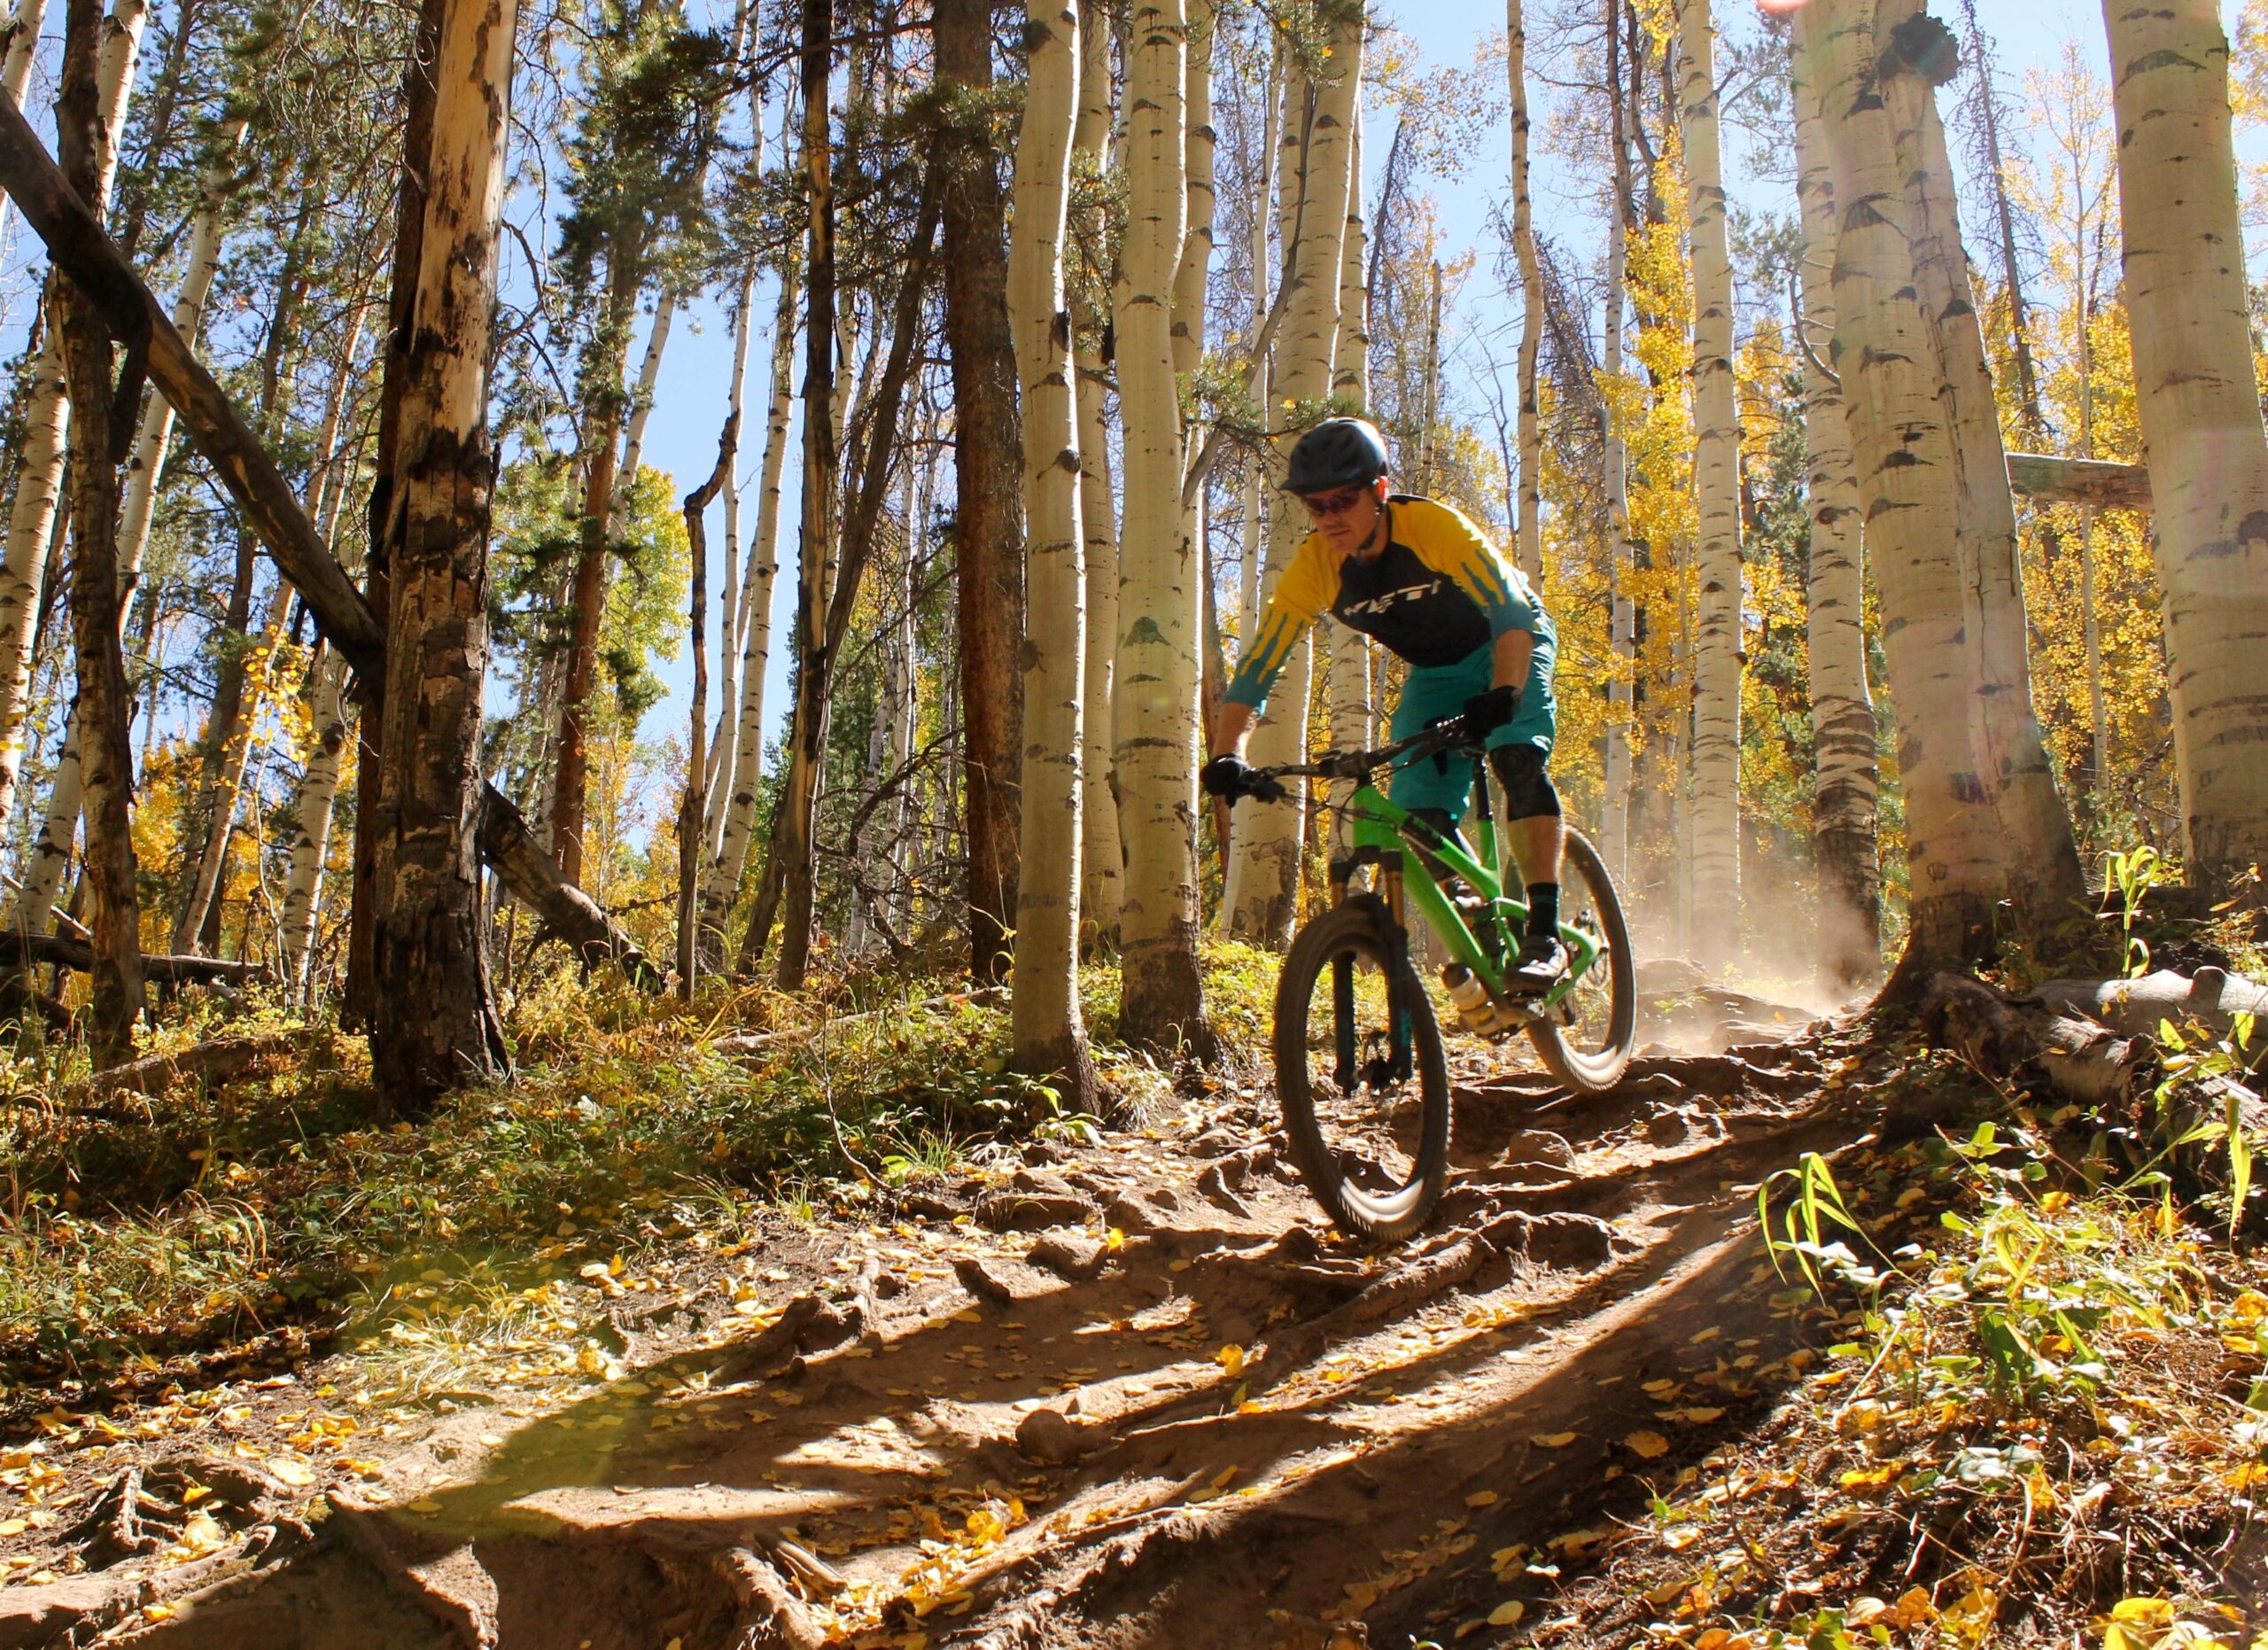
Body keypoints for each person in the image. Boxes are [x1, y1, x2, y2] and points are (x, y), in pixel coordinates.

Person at [1202, 416, 1569, 993]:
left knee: (1515, 757)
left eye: (1343, 500)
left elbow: (1510, 609)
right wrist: (1228, 754)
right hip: (1437, 673)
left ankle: (1546, 936)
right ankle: (1479, 922)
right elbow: (1260, 665)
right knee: (1419, 818)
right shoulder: (1316, 566)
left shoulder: (1430, 528)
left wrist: (1505, 693)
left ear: (1378, 489)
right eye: (1315, 506)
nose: (1329, 518)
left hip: (1509, 643)